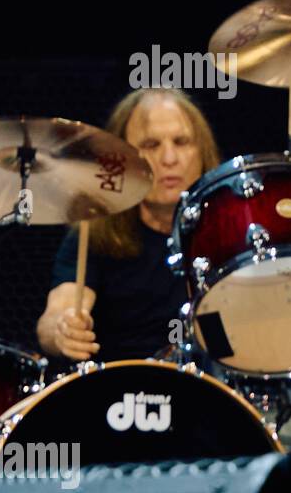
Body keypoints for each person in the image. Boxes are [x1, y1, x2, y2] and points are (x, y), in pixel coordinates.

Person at [36, 89, 217, 363]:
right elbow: (56, 314)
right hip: (120, 396)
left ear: (202, 152)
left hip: (213, 394)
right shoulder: (96, 233)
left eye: (181, 142)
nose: (169, 159)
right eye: (151, 145)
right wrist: (63, 330)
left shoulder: (229, 232)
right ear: (122, 159)